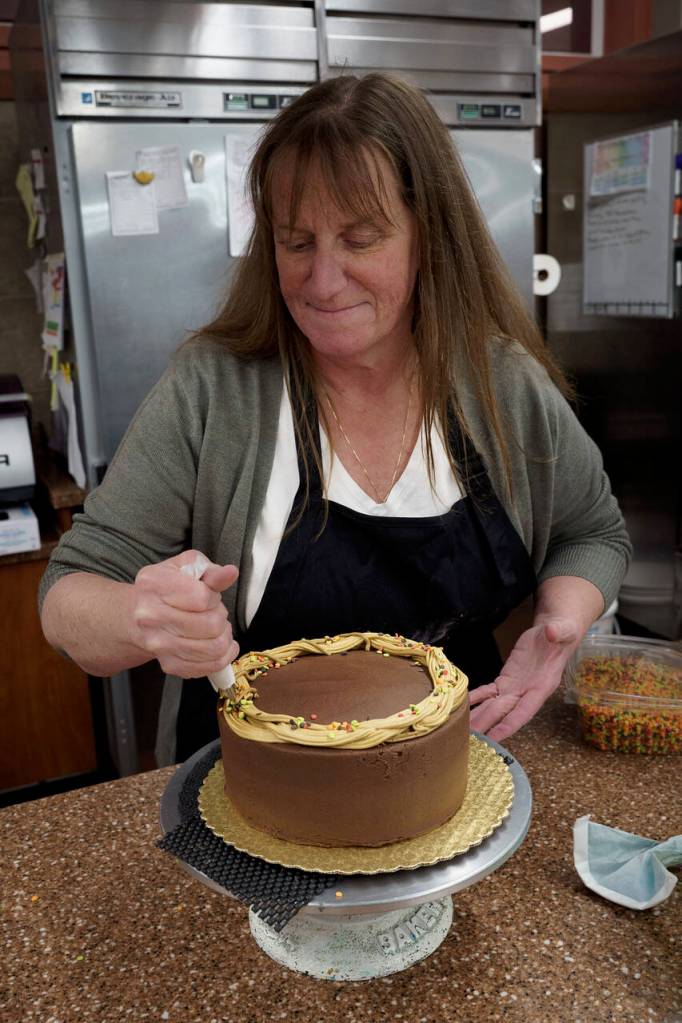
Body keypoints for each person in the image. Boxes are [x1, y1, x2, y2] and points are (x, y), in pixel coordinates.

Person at [39, 73, 631, 765]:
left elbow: (592, 531)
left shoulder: (500, 384)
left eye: (360, 239)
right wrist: (142, 618)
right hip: (251, 786)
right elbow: (66, 594)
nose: (322, 281)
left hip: (453, 774)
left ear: (427, 236)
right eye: (297, 242)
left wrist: (560, 623)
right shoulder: (215, 390)